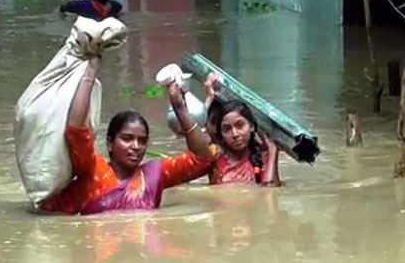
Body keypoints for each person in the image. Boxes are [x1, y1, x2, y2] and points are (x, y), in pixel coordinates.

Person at [40, 55, 218, 215]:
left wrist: (179, 108)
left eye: (142, 141)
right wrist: (90, 71)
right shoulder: (93, 170)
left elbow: (202, 159)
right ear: (110, 143)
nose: (136, 146)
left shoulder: (154, 175)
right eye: (127, 139)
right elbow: (76, 129)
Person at [183, 73, 281, 186]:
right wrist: (209, 97)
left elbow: (270, 190)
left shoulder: (263, 154)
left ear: (252, 126)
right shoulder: (216, 156)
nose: (235, 134)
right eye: (227, 129)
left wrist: (273, 150)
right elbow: (197, 133)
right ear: (221, 134)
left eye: (240, 125)